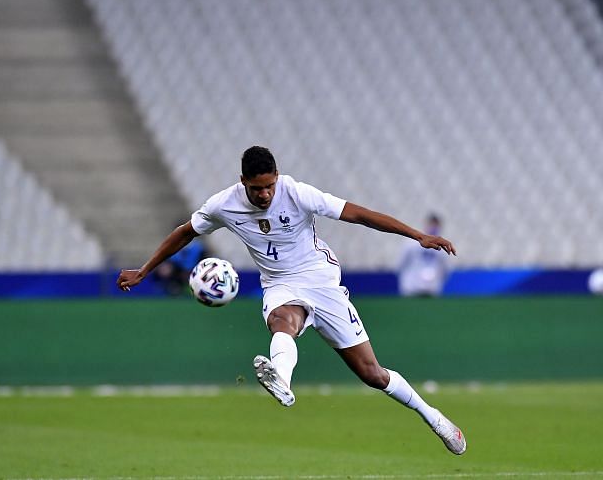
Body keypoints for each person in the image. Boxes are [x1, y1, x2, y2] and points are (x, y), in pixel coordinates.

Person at [116, 146, 466, 455]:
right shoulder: (223, 204)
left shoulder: (297, 193)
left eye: (269, 186)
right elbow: (185, 232)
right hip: (280, 284)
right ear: (243, 181)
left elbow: (359, 214)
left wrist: (418, 235)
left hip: (321, 281)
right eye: (257, 188)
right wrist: (145, 271)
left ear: (277, 177)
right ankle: (281, 379)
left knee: (372, 374)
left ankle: (434, 418)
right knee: (283, 319)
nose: (265, 194)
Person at [397, 213, 451, 297]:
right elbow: (401, 263)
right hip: (411, 288)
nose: (433, 228)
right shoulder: (412, 243)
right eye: (431, 225)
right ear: (426, 225)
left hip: (431, 289)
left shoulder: (442, 247)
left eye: (436, 225)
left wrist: (438, 283)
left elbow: (445, 269)